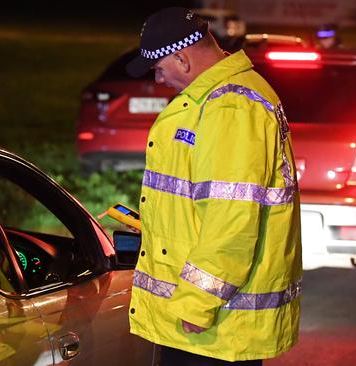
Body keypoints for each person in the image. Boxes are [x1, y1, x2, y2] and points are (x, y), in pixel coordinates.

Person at [125, 7, 302, 365]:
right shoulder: (218, 100)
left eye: (160, 68)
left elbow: (231, 220)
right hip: (211, 326)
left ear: (182, 59)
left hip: (214, 327)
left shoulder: (231, 107)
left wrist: (197, 302)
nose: (159, 79)